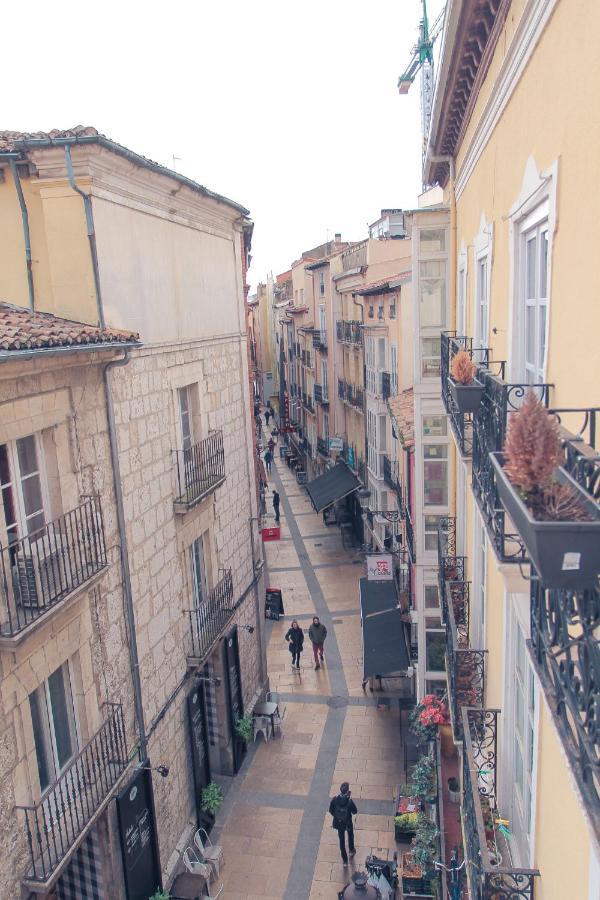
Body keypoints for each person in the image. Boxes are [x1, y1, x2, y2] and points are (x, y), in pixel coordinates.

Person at [329, 782, 357, 866]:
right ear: (348, 790)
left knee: (341, 840)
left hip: (339, 823)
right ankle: (351, 850)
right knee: (350, 835)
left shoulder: (334, 799)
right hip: (348, 822)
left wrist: (338, 816)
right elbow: (355, 811)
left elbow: (331, 810)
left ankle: (345, 861)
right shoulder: (349, 801)